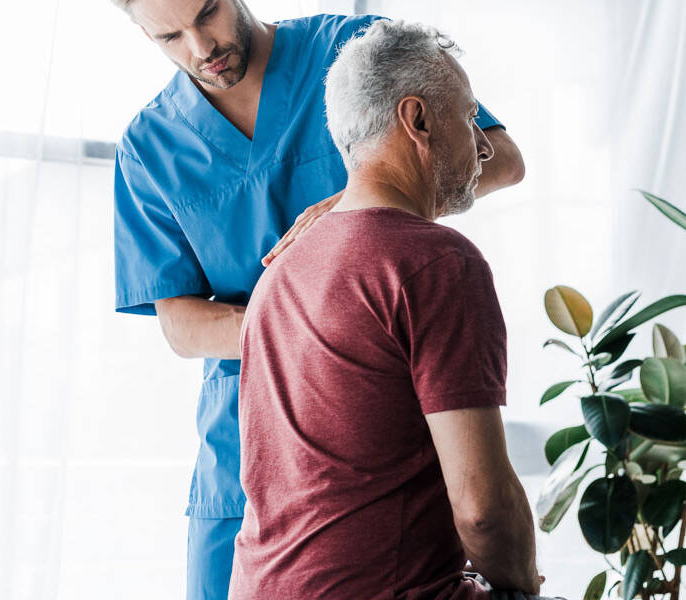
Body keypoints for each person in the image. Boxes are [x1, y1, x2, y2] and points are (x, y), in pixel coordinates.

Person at [109, 1, 524, 598]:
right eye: (170, 36)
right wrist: (311, 320)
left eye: (208, 14)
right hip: (241, 453)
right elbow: (180, 325)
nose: (201, 47)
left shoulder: (351, 51)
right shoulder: (149, 148)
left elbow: (501, 159)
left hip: (375, 434)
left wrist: (356, 204)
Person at [232, 20, 548, 600]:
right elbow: (484, 513)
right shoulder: (437, 262)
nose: (483, 144)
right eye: (470, 117)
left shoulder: (280, 273)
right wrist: (525, 587)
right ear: (419, 120)